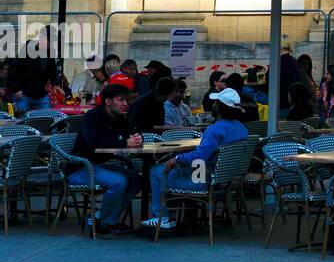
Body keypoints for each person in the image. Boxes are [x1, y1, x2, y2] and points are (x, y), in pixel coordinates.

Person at [143, 88, 249, 231]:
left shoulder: (214, 130)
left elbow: (200, 156)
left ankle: (163, 217)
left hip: (203, 180)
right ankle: (176, 216)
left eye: (216, 102)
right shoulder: (242, 129)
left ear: (219, 107)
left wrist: (177, 158)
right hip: (225, 180)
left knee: (157, 170)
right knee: (175, 171)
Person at [70, 82, 141, 235]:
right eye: (120, 100)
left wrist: (138, 137)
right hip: (81, 168)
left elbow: (131, 132)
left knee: (135, 179)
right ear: (108, 101)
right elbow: (93, 142)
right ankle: (105, 222)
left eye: (126, 100)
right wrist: (124, 142)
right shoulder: (92, 117)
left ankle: (103, 219)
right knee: (118, 181)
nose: (125, 104)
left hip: (100, 165)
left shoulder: (119, 117)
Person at [277, 40, 301, 109]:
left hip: (279, 97)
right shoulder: (294, 61)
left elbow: (268, 79)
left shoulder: (277, 60)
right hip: (292, 96)